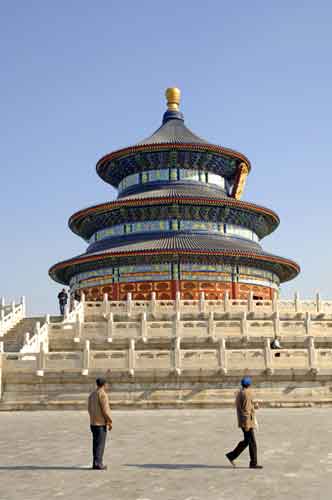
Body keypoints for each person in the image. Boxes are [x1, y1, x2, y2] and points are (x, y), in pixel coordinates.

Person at [225, 376, 263, 469]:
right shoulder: (247, 393)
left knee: (247, 441)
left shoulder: (240, 392)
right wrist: (247, 424)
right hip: (247, 422)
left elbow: (246, 406)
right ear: (249, 384)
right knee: (252, 442)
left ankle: (231, 455)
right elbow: (246, 410)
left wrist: (254, 406)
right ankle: (253, 463)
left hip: (243, 420)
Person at [88, 377, 113, 470]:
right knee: (100, 444)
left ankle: (95, 462)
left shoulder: (92, 394)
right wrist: (109, 421)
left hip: (93, 422)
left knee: (95, 444)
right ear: (104, 384)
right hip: (100, 423)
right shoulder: (103, 394)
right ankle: (98, 463)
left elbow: (89, 409)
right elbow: (105, 410)